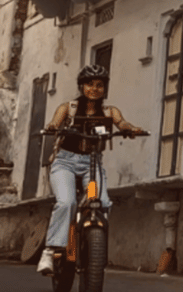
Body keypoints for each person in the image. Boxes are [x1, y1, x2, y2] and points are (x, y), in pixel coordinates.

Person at [37, 64, 143, 275]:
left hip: (91, 166)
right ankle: (50, 250)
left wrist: (129, 129)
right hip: (64, 164)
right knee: (67, 202)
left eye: (99, 85)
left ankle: (89, 243)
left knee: (101, 202)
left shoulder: (109, 111)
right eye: (89, 84)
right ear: (81, 86)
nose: (94, 89)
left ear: (105, 88)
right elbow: (55, 122)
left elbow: (121, 123)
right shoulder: (69, 108)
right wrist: (52, 127)